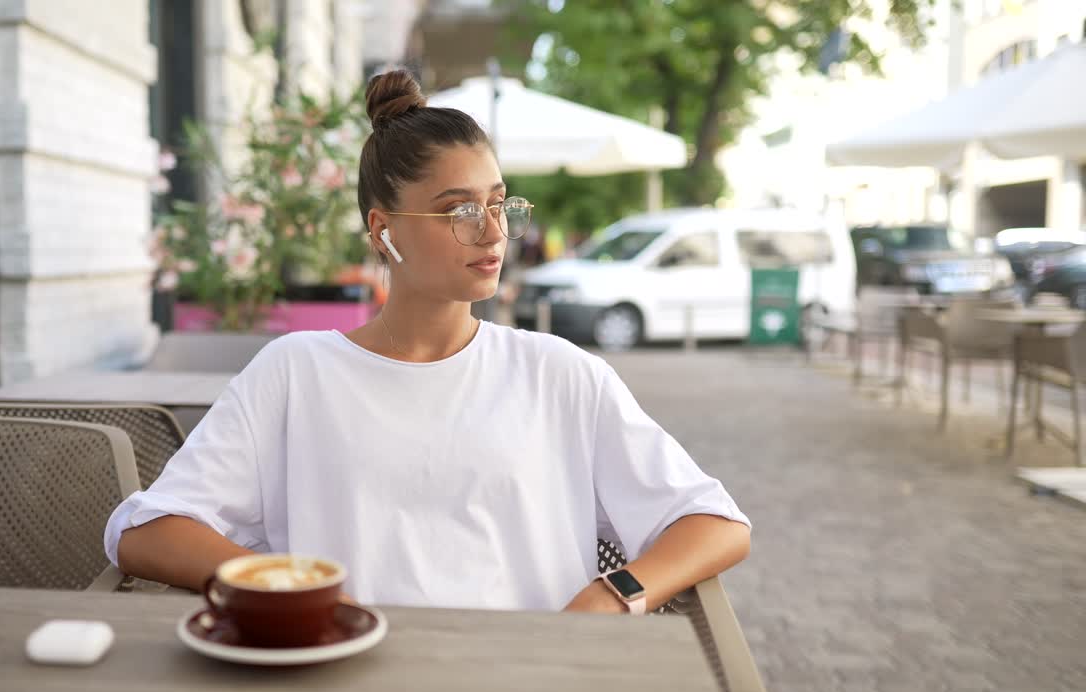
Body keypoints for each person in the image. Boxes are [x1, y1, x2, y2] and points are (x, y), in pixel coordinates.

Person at [107, 69, 750, 614]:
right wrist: (285, 588)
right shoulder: (296, 373)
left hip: (527, 686)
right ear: (383, 230)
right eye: (458, 211)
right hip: (346, 680)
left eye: (498, 204)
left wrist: (614, 594)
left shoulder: (557, 373)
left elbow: (712, 521)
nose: (492, 232)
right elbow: (145, 530)